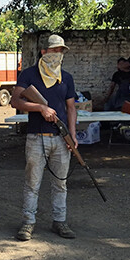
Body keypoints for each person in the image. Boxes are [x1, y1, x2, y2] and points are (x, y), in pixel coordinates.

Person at [11, 34, 78, 242]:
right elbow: (16, 100)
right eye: (54, 50)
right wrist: (40, 107)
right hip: (35, 136)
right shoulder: (29, 74)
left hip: (60, 137)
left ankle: (60, 221)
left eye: (60, 51)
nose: (57, 54)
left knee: (61, 183)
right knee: (32, 183)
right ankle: (28, 222)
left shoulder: (65, 77)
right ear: (43, 52)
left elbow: (71, 108)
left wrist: (72, 136)